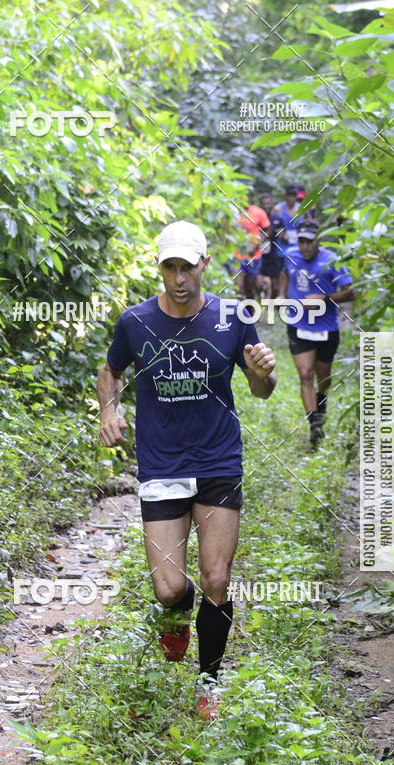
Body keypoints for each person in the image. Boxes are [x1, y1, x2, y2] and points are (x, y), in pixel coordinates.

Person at [97, 221, 277, 719]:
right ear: (161, 268)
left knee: (217, 577)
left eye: (187, 266)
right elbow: (111, 369)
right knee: (170, 588)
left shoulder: (232, 317)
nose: (179, 277)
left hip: (218, 460)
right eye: (169, 267)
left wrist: (265, 375)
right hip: (162, 464)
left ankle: (209, 684)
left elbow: (262, 389)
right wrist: (109, 410)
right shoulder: (135, 322)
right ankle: (178, 613)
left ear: (204, 263)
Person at [279, 219, 355, 447]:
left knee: (324, 377)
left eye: (310, 242)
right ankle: (314, 425)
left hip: (326, 327)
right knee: (305, 374)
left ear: (319, 240)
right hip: (297, 322)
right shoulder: (290, 254)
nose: (305, 246)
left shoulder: (332, 260)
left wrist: (324, 297)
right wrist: (282, 295)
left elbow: (350, 293)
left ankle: (321, 402)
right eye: (301, 241)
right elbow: (285, 273)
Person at [233, 188, 270, 299]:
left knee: (250, 286)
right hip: (237, 255)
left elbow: (266, 230)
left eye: (246, 197)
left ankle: (251, 310)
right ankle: (240, 311)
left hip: (254, 255)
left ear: (250, 199)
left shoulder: (259, 212)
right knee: (238, 286)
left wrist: (256, 244)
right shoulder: (232, 213)